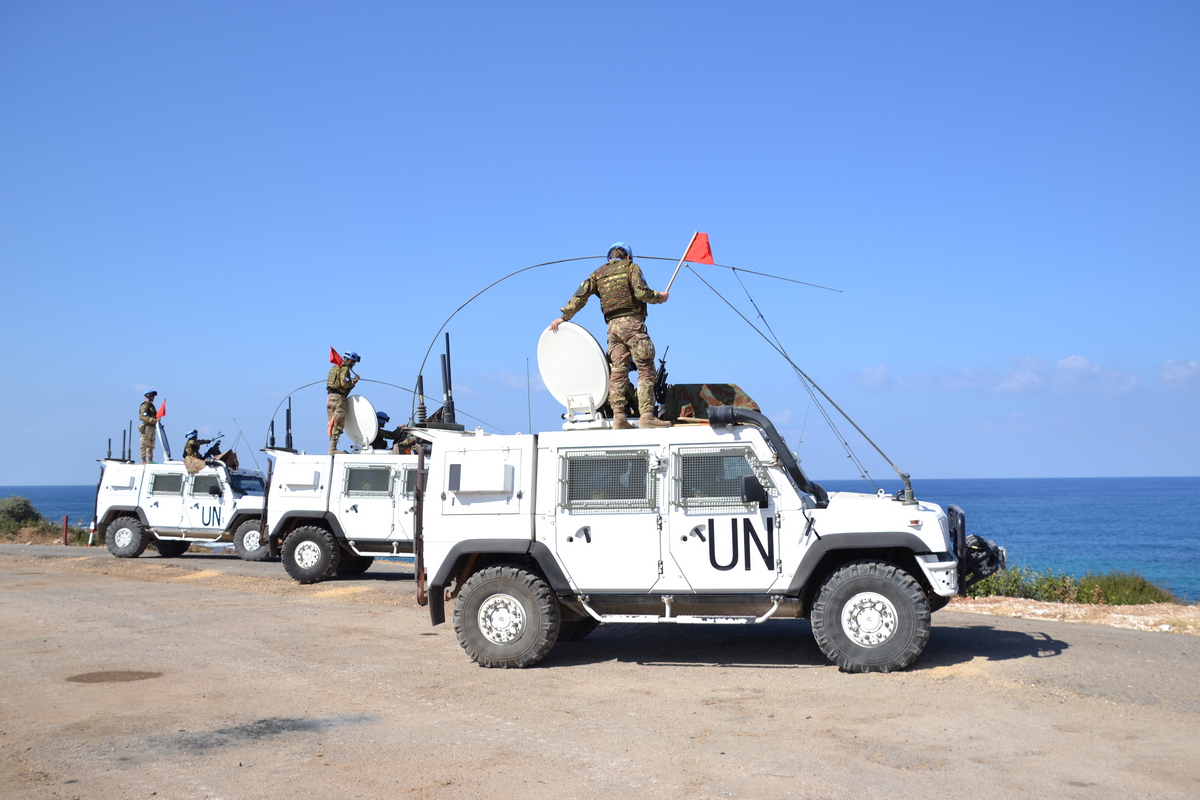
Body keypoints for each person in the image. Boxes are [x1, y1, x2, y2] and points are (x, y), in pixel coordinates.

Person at [550, 242, 670, 429]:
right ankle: (647, 416)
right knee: (645, 369)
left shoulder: (597, 273)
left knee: (617, 374)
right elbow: (641, 292)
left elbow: (579, 297)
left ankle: (619, 418)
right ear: (628, 257)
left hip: (612, 329)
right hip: (633, 326)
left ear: (609, 258)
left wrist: (563, 317)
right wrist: (660, 297)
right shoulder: (631, 267)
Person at [327, 351, 361, 454]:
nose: (354, 365)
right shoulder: (345, 369)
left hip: (330, 398)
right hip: (338, 399)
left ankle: (332, 447)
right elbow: (344, 383)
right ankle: (333, 449)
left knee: (332, 423)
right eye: (353, 362)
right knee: (338, 423)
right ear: (350, 360)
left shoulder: (334, 368)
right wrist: (355, 380)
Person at [138, 391, 158, 463]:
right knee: (144, 444)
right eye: (152, 396)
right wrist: (153, 420)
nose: (153, 398)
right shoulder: (144, 406)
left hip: (152, 427)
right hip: (146, 427)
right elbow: (142, 417)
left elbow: (155, 414)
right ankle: (143, 460)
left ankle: (150, 460)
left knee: (151, 445)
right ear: (149, 396)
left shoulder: (151, 406)